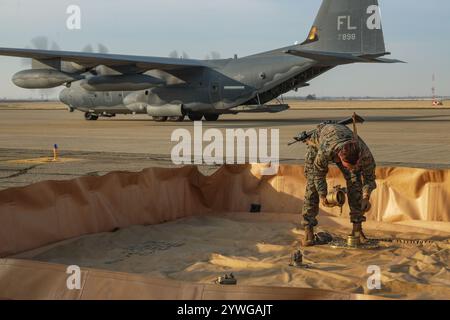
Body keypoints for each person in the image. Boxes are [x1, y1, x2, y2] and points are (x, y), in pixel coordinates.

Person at [301, 120, 377, 246]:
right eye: (348, 166)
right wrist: (323, 195)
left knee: (355, 181)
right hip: (320, 140)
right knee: (312, 184)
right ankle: (308, 229)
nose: (351, 169)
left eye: (355, 165)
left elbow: (369, 179)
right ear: (340, 157)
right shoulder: (326, 150)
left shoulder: (365, 154)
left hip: (341, 139)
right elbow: (318, 174)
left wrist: (366, 197)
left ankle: (357, 230)